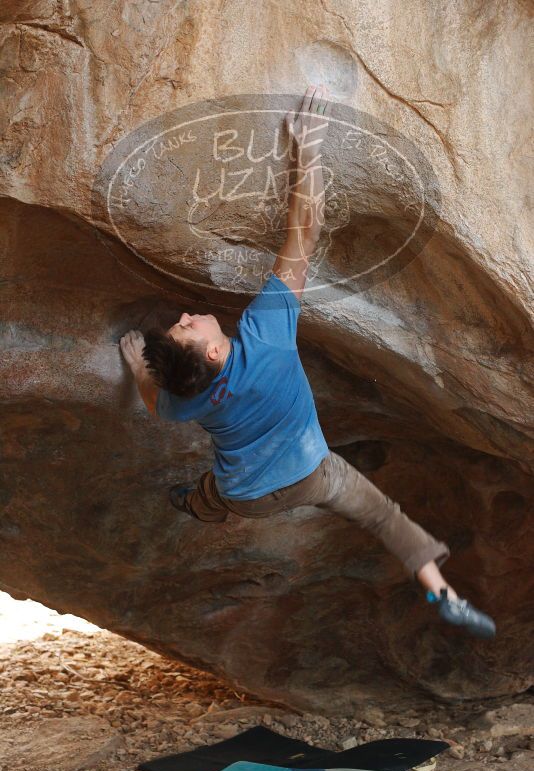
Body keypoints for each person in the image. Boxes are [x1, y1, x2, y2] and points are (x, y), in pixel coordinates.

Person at [120, 85, 495, 639]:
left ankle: (194, 504)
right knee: (382, 515)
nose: (188, 314)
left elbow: (157, 404)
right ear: (215, 350)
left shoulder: (188, 395)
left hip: (245, 496)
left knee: (210, 494)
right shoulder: (266, 338)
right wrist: (306, 149)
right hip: (310, 475)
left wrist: (136, 367)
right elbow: (303, 233)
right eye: (188, 326)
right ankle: (441, 591)